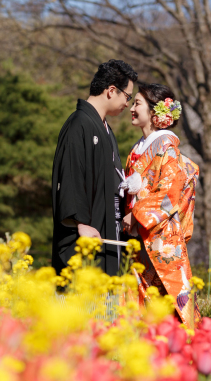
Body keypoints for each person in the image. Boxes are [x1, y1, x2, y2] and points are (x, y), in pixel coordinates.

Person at [120, 83, 200, 326]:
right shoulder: (139, 148)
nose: (132, 108)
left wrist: (136, 215)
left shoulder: (167, 147)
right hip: (138, 236)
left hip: (159, 236)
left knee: (168, 306)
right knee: (141, 304)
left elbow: (169, 193)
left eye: (137, 103)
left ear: (155, 113)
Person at [52, 60, 138, 277]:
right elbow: (70, 175)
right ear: (111, 91)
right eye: (127, 97)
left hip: (107, 226)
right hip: (85, 231)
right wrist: (80, 223)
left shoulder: (104, 128)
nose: (127, 104)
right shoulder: (79, 124)